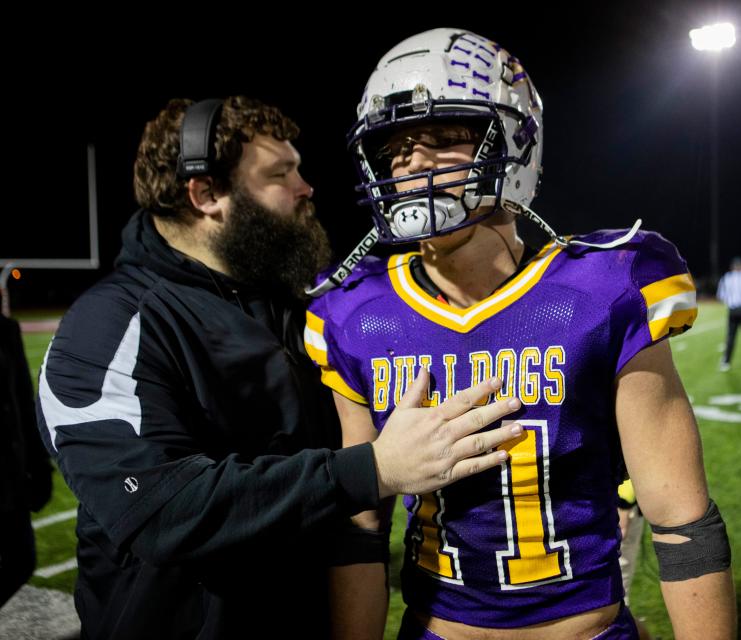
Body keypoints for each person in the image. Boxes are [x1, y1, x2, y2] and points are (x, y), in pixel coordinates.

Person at [35, 96, 521, 639]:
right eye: (281, 173)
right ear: (206, 194)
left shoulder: (294, 307)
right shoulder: (109, 328)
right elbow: (158, 509)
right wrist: (372, 470)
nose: (306, 187)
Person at [307, 28, 735, 640]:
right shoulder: (355, 311)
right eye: (396, 149)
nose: (414, 163)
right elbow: (360, 525)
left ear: (514, 140)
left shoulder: (604, 287)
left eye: (446, 137)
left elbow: (680, 520)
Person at [1, 314, 53, 608]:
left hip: (10, 476)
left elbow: (22, 401)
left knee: (21, 561)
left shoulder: (6, 329)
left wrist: (40, 466)